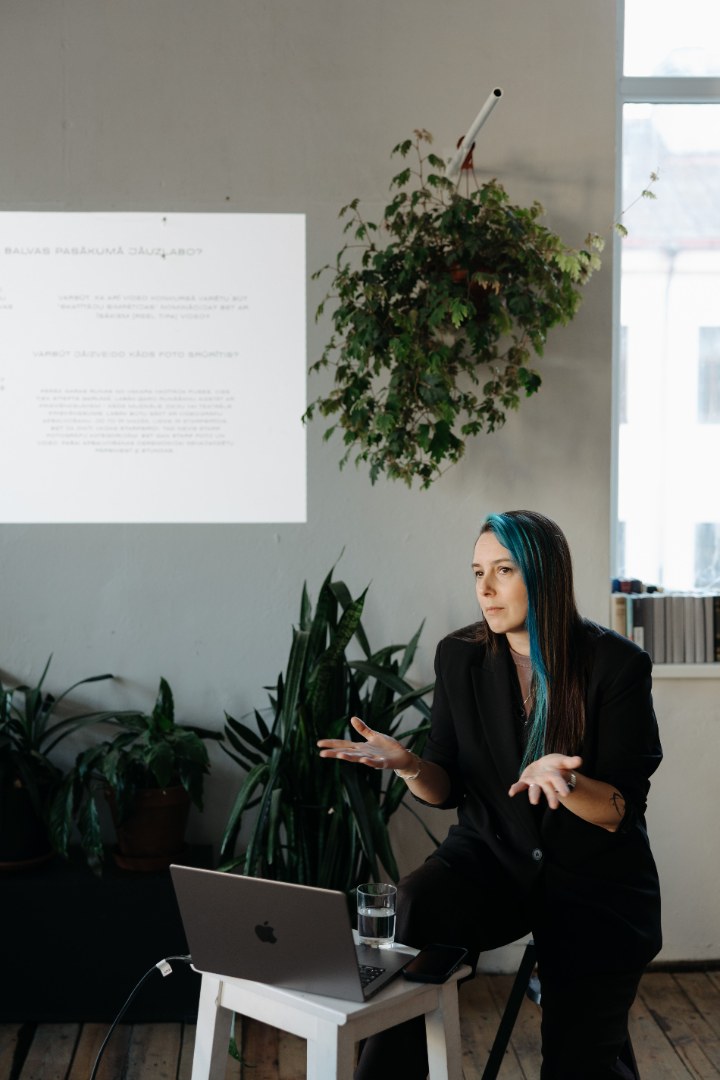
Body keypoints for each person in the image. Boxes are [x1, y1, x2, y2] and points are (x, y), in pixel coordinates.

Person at [318, 510, 661, 1080]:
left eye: (504, 570)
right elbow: (447, 786)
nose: (485, 588)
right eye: (478, 572)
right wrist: (409, 765)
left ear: (545, 574)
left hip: (594, 882)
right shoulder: (460, 656)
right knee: (417, 902)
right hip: (492, 861)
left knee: (580, 1062)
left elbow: (619, 811)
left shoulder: (617, 665)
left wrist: (567, 782)